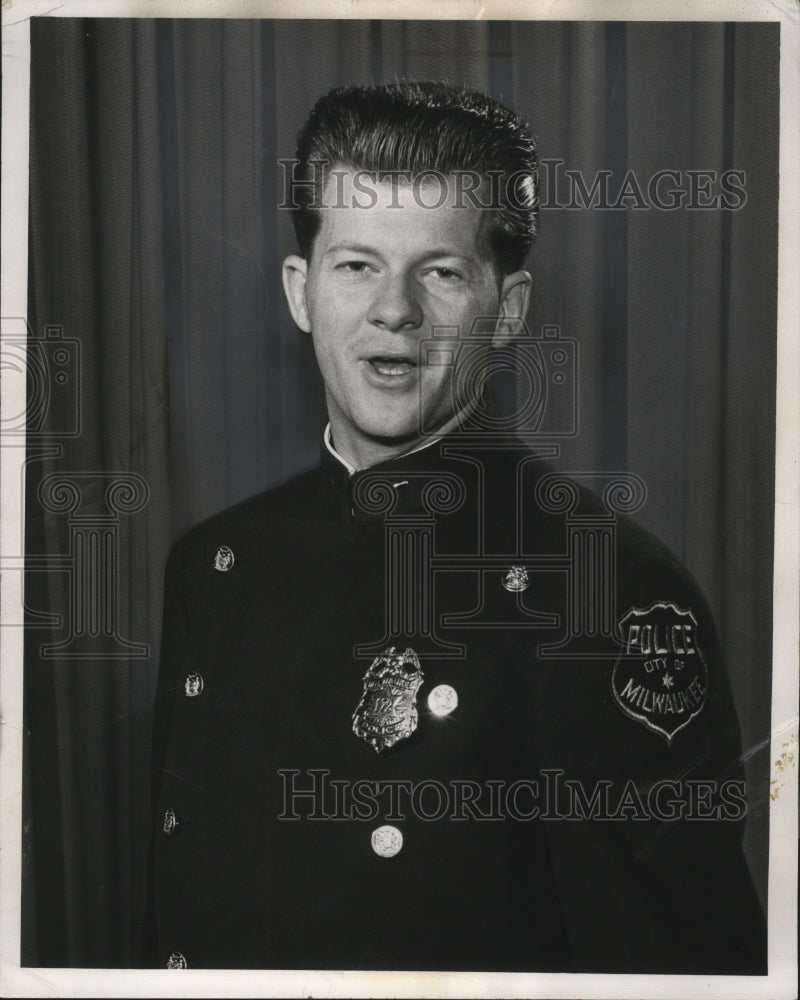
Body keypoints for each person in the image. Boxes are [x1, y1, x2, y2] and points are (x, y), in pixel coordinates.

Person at [146, 81, 766, 973]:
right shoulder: (213, 565)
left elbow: (675, 973)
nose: (394, 310)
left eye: (439, 272)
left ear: (506, 311)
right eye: (357, 264)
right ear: (301, 290)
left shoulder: (607, 593)